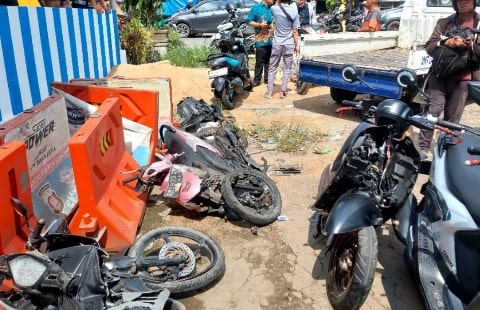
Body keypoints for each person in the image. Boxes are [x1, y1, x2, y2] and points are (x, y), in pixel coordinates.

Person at [418, 0, 480, 158]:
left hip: (462, 80)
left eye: (467, 0)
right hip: (439, 75)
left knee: (453, 118)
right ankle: (422, 149)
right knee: (432, 111)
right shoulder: (444, 23)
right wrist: (446, 41)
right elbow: (430, 47)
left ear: (474, 2)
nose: (463, 3)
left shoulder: (479, 25)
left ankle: (443, 151)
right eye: (459, 0)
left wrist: (471, 45)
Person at [263, 0, 299, 99]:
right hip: (289, 43)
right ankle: (282, 92)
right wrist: (297, 46)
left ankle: (269, 93)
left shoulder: (274, 9)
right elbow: (295, 31)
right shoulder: (294, 11)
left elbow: (275, 5)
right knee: (287, 68)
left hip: (277, 44)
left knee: (272, 67)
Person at [247, 0, 274, 87]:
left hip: (272, 40)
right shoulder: (256, 8)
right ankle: (257, 80)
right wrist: (259, 25)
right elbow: (249, 22)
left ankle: (268, 80)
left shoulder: (273, 9)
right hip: (260, 40)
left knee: (269, 62)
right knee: (259, 62)